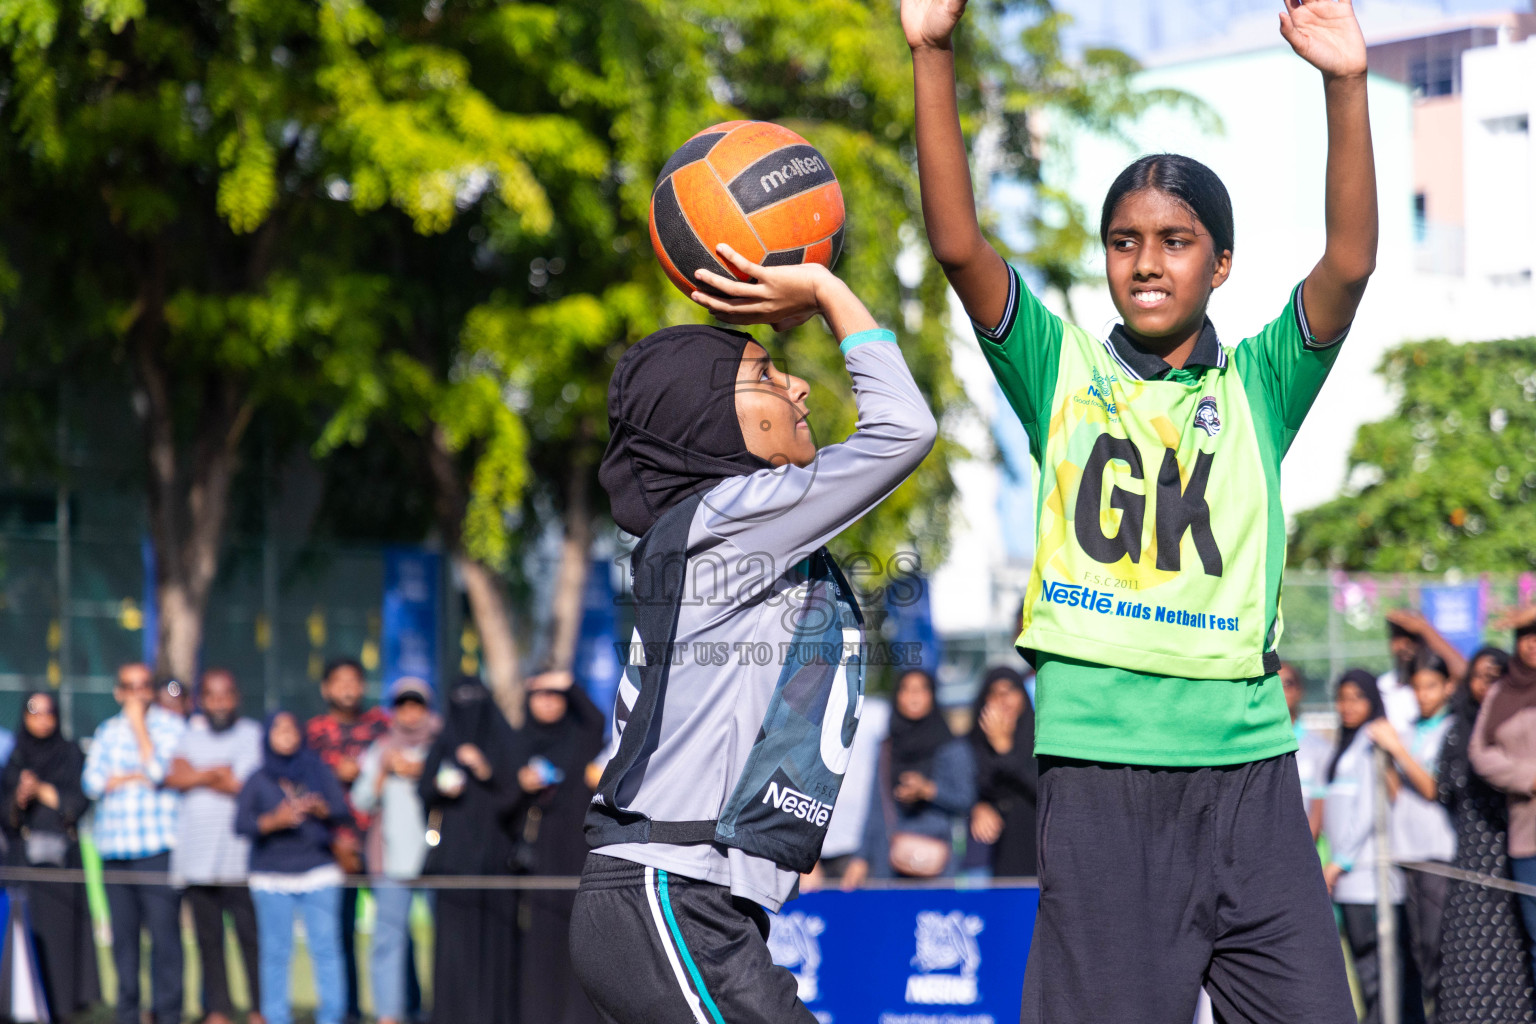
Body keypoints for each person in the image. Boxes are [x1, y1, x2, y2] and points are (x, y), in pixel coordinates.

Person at [904, 0, 1377, 1018]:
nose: (1148, 260)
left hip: (1252, 771)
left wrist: (1346, 84)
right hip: (1103, 771)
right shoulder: (1058, 369)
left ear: (1221, 262)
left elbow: (1348, 265)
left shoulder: (1260, 384)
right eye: (1125, 241)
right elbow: (957, 245)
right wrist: (932, 52)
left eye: (1175, 239)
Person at [570, 230, 937, 1020]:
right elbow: (904, 430)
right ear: (710, 424)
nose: (800, 386)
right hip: (670, 896)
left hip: (685, 899)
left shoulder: (732, 530)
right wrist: (828, 295)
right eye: (767, 374)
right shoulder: (728, 521)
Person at [81, 661, 189, 1024]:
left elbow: (159, 772)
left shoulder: (172, 727)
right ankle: (127, 1014)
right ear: (118, 692)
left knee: (165, 940)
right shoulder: (106, 730)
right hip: (114, 851)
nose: (137, 692)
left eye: (144, 685)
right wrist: (136, 775)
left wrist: (140, 729)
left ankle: (167, 1014)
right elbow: (93, 784)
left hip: (158, 850)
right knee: (124, 942)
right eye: (129, 686)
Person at [418, 675, 523, 1024]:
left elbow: (515, 796)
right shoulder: (445, 743)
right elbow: (423, 792)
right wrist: (438, 787)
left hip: (496, 861)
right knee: (453, 946)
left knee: (496, 944)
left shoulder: (504, 742)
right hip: (453, 863)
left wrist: (486, 771)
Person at [1436, 645, 1534, 1022]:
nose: (1485, 686)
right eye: (1479, 677)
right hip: (1473, 854)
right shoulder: (1459, 731)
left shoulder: (1515, 721)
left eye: (1494, 678)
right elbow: (1446, 787)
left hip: (1514, 844)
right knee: (1470, 951)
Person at [235, 711, 352, 1024]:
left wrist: (319, 808)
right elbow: (241, 824)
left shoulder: (316, 769)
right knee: (275, 953)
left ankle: (331, 1016)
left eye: (291, 728)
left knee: (326, 949)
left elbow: (341, 811)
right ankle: (276, 1016)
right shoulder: (258, 777)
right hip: (271, 876)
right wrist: (275, 821)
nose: (286, 734)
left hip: (318, 872)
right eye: (278, 728)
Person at [1321, 669, 1424, 1024]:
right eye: (1342, 698)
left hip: (1369, 877)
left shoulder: (1372, 741)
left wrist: (1341, 861)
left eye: (1357, 698)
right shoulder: (1347, 742)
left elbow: (1368, 808)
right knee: (1364, 968)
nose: (1347, 706)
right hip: (1350, 882)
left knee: (1382, 970)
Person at [166, 669, 264, 1024]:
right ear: (201, 700)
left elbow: (244, 785)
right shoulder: (189, 734)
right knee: (208, 941)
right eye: (212, 694)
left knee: (250, 940)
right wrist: (213, 773)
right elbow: (174, 776)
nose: (219, 702)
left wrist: (198, 775)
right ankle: (218, 1010)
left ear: (236, 697)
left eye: (226, 694)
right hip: (196, 859)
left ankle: (258, 1008)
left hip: (240, 860)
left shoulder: (252, 734)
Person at [510, 671, 606, 1024]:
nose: (548, 701)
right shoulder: (518, 743)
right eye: (540, 694)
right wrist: (520, 784)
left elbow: (596, 719)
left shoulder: (580, 738)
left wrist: (569, 682)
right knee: (538, 944)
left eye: (556, 695)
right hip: (535, 860)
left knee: (578, 942)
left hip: (576, 855)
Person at [0, 691, 100, 1021]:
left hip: (60, 869)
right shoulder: (14, 758)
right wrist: (19, 796)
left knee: (59, 947)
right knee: (21, 942)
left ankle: (59, 1010)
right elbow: (5, 814)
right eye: (34, 711)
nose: (43, 718)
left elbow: (79, 802)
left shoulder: (70, 753)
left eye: (49, 712)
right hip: (20, 866)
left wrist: (42, 789)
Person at [305, 655, 392, 1024]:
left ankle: (406, 1008)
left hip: (381, 843)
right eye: (339, 681)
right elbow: (306, 788)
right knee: (339, 935)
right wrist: (337, 843)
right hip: (333, 848)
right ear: (325, 688)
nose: (347, 688)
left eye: (354, 681)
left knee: (392, 931)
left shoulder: (382, 727)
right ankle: (349, 1011)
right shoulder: (312, 733)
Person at [1371, 654, 1457, 1023]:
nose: (1423, 695)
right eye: (1417, 687)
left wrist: (1398, 750)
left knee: (1439, 948)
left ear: (1447, 687)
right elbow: (1395, 791)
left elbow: (1430, 788)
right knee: (1418, 951)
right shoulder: (1406, 729)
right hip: (1405, 852)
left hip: (1437, 852)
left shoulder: (1452, 730)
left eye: (1431, 686)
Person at [351, 678, 441, 1024]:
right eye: (403, 704)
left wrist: (426, 772)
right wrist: (383, 772)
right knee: (388, 942)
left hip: (436, 860)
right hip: (390, 860)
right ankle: (390, 1014)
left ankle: (440, 1008)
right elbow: (361, 800)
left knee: (442, 943)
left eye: (416, 704)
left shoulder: (441, 744)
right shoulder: (381, 748)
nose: (410, 712)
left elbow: (456, 786)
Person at [845, 670, 974, 886]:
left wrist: (929, 790)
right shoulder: (887, 747)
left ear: (932, 695)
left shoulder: (951, 747)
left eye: (921, 690)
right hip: (889, 860)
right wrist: (861, 857)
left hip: (939, 861)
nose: (913, 696)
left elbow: (966, 799)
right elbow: (876, 805)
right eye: (906, 690)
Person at [1469, 606, 1536, 995]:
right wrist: (1527, 777)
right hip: (1527, 836)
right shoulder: (1502, 692)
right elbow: (1480, 753)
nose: (1533, 644)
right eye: (1526, 635)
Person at [966, 666, 1038, 877]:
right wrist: (977, 807)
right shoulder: (971, 745)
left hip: (1036, 855)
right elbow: (963, 788)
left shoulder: (1041, 741)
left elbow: (1042, 789)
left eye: (1010, 691)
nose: (1004, 700)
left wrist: (1004, 749)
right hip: (991, 859)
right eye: (995, 693)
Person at [1379, 611, 1466, 732]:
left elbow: (1465, 673)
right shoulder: (1385, 685)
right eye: (1397, 638)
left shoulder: (1441, 677)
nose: (1404, 645)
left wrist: (1424, 628)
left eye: (1411, 638)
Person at [1281, 661, 1331, 838]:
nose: (1280, 691)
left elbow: (1319, 804)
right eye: (1273, 685)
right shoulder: (1254, 746)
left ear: (1299, 691)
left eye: (1287, 684)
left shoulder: (1319, 747)